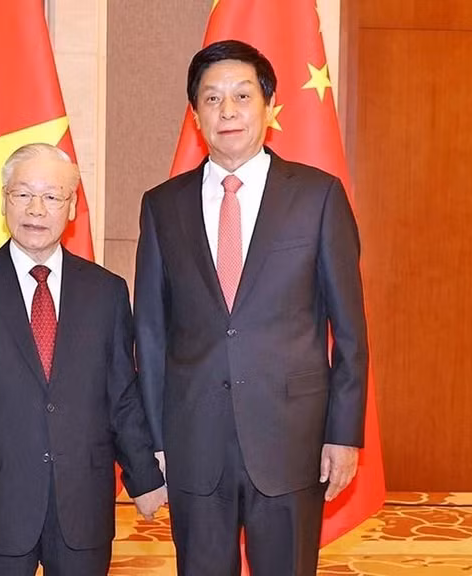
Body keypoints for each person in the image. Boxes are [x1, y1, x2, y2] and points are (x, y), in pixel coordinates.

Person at [133, 40, 369, 576]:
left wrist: (344, 432)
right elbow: (149, 331)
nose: (228, 110)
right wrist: (155, 441)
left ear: (268, 106)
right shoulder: (162, 205)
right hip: (194, 441)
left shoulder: (318, 196)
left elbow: (350, 331)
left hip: (293, 440)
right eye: (212, 99)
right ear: (195, 115)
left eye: (242, 95)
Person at [0, 143, 167, 575]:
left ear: (71, 208)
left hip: (83, 505)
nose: (36, 209)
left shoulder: (106, 292)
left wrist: (145, 476)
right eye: (23, 194)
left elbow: (121, 395)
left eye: (52, 197)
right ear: (4, 200)